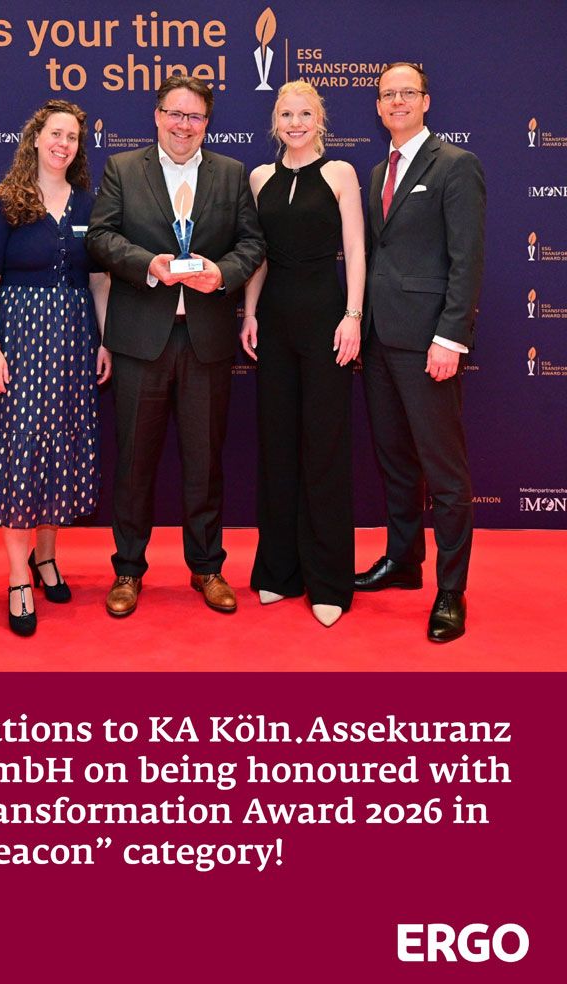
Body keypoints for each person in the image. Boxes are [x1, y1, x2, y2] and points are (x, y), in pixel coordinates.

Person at [87, 75, 264, 618]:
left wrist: (223, 273)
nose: (185, 126)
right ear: (157, 115)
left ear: (208, 124)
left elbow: (253, 243)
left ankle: (207, 568)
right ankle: (128, 571)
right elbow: (100, 237)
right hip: (141, 341)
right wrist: (149, 265)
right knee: (134, 464)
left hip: (205, 340)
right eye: (175, 114)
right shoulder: (123, 168)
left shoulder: (231, 175)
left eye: (196, 117)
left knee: (205, 463)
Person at [0, 100, 110, 636]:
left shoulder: (89, 205)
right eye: (55, 133)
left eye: (72, 136)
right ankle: (17, 575)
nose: (63, 144)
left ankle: (47, 558)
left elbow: (98, 281)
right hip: (19, 343)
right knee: (18, 451)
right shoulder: (4, 205)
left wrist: (105, 341)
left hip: (73, 342)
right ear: (34, 138)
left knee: (61, 447)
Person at [355, 62, 485, 642]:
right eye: (389, 95)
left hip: (430, 343)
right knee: (396, 463)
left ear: (426, 101)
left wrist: (450, 338)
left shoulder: (456, 166)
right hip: (381, 342)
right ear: (379, 106)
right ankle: (404, 562)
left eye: (408, 93)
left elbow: (467, 261)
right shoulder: (379, 167)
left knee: (446, 475)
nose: (398, 102)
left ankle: (451, 590)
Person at [240, 81, 364, 628]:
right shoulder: (259, 178)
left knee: (325, 446)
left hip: (326, 320)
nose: (295, 122)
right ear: (274, 120)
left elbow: (357, 250)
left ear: (321, 119)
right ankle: (279, 572)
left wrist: (353, 317)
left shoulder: (340, 174)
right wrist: (248, 313)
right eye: (286, 113)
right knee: (278, 444)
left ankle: (329, 579)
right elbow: (258, 256)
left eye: (305, 113)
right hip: (275, 320)